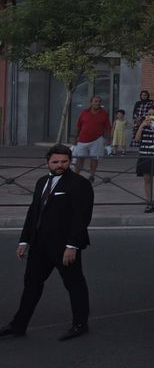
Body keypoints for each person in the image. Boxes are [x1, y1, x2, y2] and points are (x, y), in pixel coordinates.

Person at [1, 145, 94, 341]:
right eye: (55, 162)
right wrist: (24, 241)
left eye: (64, 162)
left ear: (70, 162)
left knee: (74, 284)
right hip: (39, 245)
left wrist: (72, 246)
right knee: (31, 284)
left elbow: (81, 217)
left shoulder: (79, 184)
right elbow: (33, 212)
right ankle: (18, 325)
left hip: (64, 246)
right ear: (47, 163)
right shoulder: (42, 181)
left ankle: (80, 324)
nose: (60, 165)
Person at [73, 95, 111, 180]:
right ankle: (76, 176)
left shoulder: (104, 113)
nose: (98, 103)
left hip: (97, 140)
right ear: (91, 103)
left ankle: (92, 176)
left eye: (99, 102)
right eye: (95, 101)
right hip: (82, 139)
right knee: (80, 158)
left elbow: (108, 128)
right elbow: (78, 126)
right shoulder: (84, 112)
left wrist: (108, 140)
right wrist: (75, 138)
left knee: (94, 159)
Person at [135, 115, 154, 213]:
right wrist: (142, 126)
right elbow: (137, 139)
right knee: (147, 179)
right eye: (148, 116)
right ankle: (149, 203)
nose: (150, 119)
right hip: (145, 155)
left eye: (153, 115)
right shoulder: (143, 127)